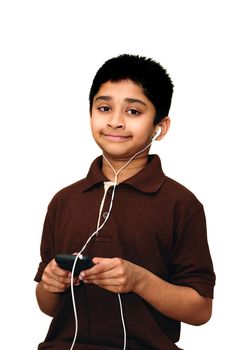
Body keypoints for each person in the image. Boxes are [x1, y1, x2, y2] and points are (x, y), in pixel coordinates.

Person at [34, 54, 215, 350]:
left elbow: (200, 311)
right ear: (90, 113)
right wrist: (50, 283)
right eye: (104, 108)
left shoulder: (180, 204)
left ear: (161, 126)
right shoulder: (64, 201)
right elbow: (49, 307)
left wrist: (138, 281)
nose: (115, 121)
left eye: (133, 111)